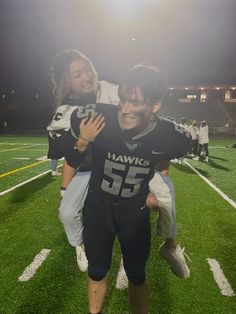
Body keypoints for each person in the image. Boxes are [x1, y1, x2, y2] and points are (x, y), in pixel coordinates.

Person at [47, 50, 190, 291]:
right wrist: (64, 191)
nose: (86, 77)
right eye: (77, 74)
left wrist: (155, 179)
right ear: (67, 82)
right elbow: (71, 157)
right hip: (90, 168)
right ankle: (81, 246)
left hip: (130, 161)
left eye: (88, 69)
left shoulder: (116, 92)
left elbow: (156, 135)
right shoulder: (66, 111)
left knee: (165, 195)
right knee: (68, 212)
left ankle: (170, 246)